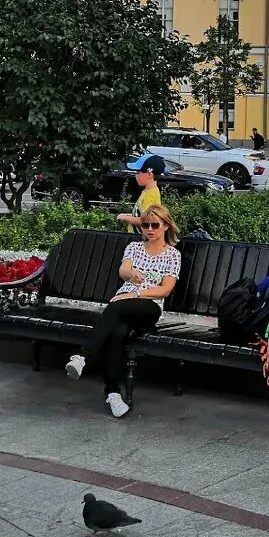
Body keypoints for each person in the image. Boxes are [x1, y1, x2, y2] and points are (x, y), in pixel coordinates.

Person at [65, 204, 181, 417]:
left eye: (155, 225)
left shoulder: (172, 255)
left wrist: (135, 294)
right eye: (145, 225)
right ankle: (113, 394)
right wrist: (131, 276)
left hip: (148, 306)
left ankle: (83, 356)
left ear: (165, 226)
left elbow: (165, 290)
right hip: (122, 304)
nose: (150, 229)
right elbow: (123, 269)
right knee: (117, 332)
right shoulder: (134, 248)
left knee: (116, 306)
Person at [116, 155, 165, 233]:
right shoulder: (149, 191)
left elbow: (146, 221)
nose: (135, 176)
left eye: (138, 172)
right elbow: (142, 215)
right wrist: (130, 215)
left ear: (149, 174)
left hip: (139, 238)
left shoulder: (149, 195)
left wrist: (126, 218)